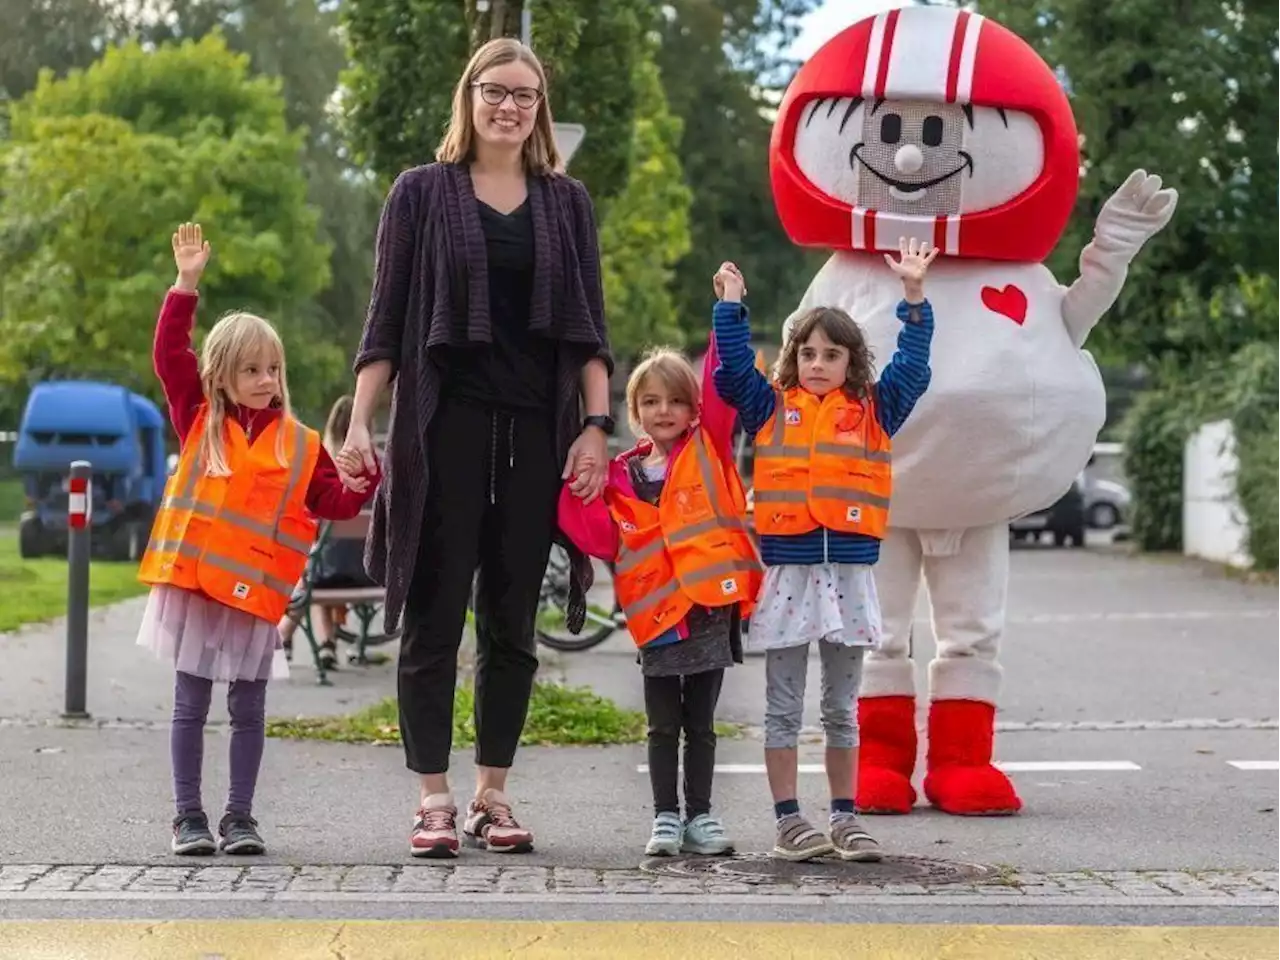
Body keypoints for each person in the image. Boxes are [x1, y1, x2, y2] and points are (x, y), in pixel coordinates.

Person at [335, 37, 613, 859]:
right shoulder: (420, 194)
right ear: (470, 97)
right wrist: (359, 422)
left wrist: (596, 429)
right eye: (496, 91)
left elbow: (590, 332)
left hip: (537, 433)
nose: (510, 106)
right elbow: (384, 326)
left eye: (525, 95)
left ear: (540, 109)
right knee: (431, 618)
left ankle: (493, 792)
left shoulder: (566, 202)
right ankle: (433, 799)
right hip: (441, 431)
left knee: (510, 625)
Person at [138, 223, 379, 857]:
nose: (266, 378)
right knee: (191, 702)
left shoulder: (298, 442)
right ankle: (187, 817)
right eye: (251, 369)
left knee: (249, 707)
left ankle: (239, 818)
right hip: (194, 588)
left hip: (254, 597)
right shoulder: (199, 418)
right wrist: (185, 284)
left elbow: (331, 500)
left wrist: (364, 477)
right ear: (220, 374)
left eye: (273, 367)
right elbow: (169, 355)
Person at [710, 239, 937, 861]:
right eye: (806, 353)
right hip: (788, 574)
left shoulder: (876, 410)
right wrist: (730, 307)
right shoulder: (768, 406)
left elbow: (914, 368)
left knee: (842, 709)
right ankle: (789, 821)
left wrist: (914, 297)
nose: (816, 363)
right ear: (793, 357)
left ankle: (845, 817)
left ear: (850, 363)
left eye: (830, 355)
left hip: (850, 577)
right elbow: (732, 372)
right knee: (782, 708)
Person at [559, 344, 761, 857]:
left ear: (693, 410)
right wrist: (572, 477)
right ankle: (665, 818)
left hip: (709, 611)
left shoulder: (709, 449)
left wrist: (727, 314)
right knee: (662, 725)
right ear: (634, 412)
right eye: (650, 401)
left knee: (701, 724)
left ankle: (701, 816)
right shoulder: (619, 476)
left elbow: (720, 384)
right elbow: (596, 536)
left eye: (675, 400)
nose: (663, 411)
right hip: (656, 621)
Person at [278, 395, 378, 670]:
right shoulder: (378, 467)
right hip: (373, 573)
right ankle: (323, 645)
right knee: (322, 561)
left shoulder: (321, 468)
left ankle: (294, 639)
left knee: (316, 563)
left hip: (328, 574)